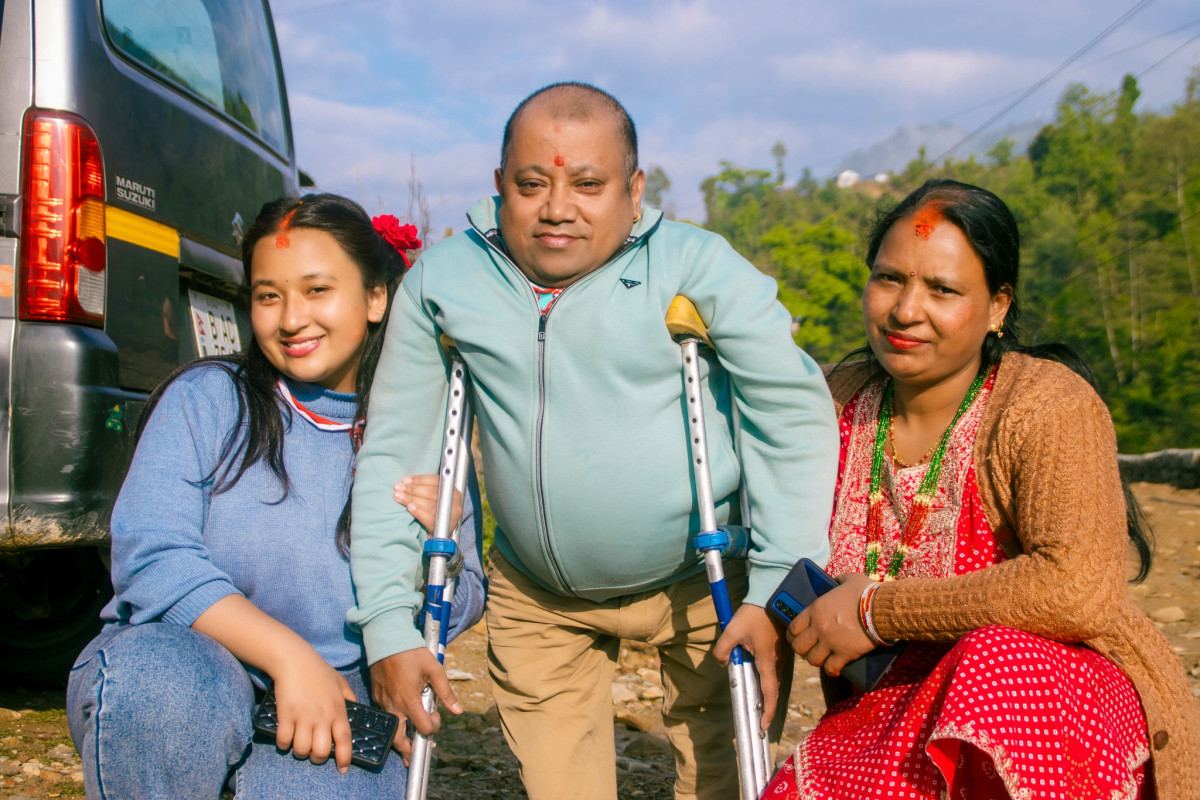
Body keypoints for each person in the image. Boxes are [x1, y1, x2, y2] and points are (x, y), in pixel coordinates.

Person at [348, 82, 839, 800]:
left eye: (588, 184)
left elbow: (790, 412)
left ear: (634, 190)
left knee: (724, 781)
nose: (556, 208)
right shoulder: (447, 281)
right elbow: (396, 450)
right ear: (499, 186)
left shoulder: (696, 266)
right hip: (541, 596)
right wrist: (389, 625)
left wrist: (774, 591)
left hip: (702, 585)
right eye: (530, 184)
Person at [763, 179, 1200, 799]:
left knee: (997, 657)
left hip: (1044, 701)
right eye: (889, 278)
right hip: (888, 708)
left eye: (942, 289)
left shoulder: (1045, 405)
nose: (906, 310)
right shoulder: (831, 403)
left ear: (998, 306)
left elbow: (1077, 590)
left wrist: (875, 610)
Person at [66, 193, 486, 799]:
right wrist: (291, 659)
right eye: (269, 295)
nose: (291, 319)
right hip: (191, 668)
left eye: (317, 291)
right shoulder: (207, 400)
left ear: (376, 298)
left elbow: (467, 591)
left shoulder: (430, 435)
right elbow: (152, 558)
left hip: (333, 705)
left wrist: (435, 552)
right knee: (157, 686)